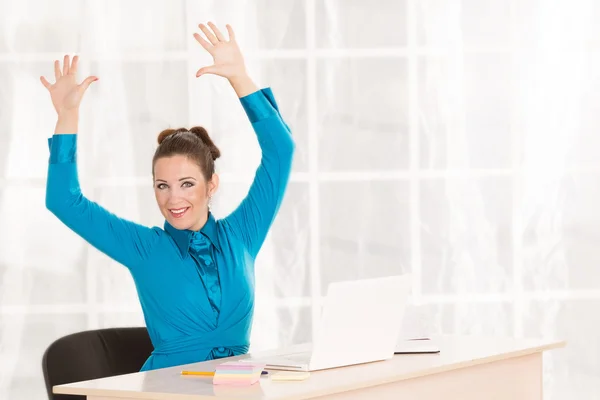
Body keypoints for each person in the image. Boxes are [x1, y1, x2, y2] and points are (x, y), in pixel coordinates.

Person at [40, 22, 295, 371]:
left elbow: (281, 151)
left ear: (212, 185)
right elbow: (63, 201)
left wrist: (239, 78)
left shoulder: (243, 236)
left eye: (187, 184)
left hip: (238, 388)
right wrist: (67, 116)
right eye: (163, 185)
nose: (173, 198)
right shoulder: (143, 247)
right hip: (166, 390)